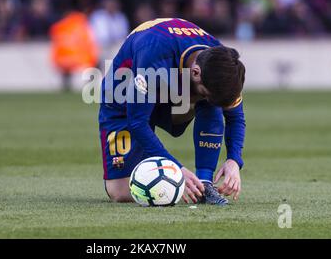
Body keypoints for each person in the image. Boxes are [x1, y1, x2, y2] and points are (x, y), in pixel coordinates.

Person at [99, 18, 246, 205]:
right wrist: (176, 170)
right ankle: (179, 182)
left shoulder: (223, 65)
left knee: (212, 103)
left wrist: (234, 160)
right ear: (195, 72)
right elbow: (137, 121)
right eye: (205, 92)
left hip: (175, 96)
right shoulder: (154, 56)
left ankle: (204, 183)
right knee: (120, 193)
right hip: (124, 98)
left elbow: (236, 118)